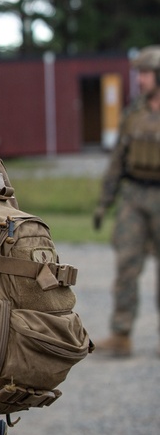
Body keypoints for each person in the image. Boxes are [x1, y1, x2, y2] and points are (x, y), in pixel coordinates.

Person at [93, 45, 160, 357]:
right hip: (133, 196)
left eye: (145, 74)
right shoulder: (133, 114)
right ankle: (121, 335)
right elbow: (117, 161)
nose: (140, 80)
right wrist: (103, 203)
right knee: (126, 266)